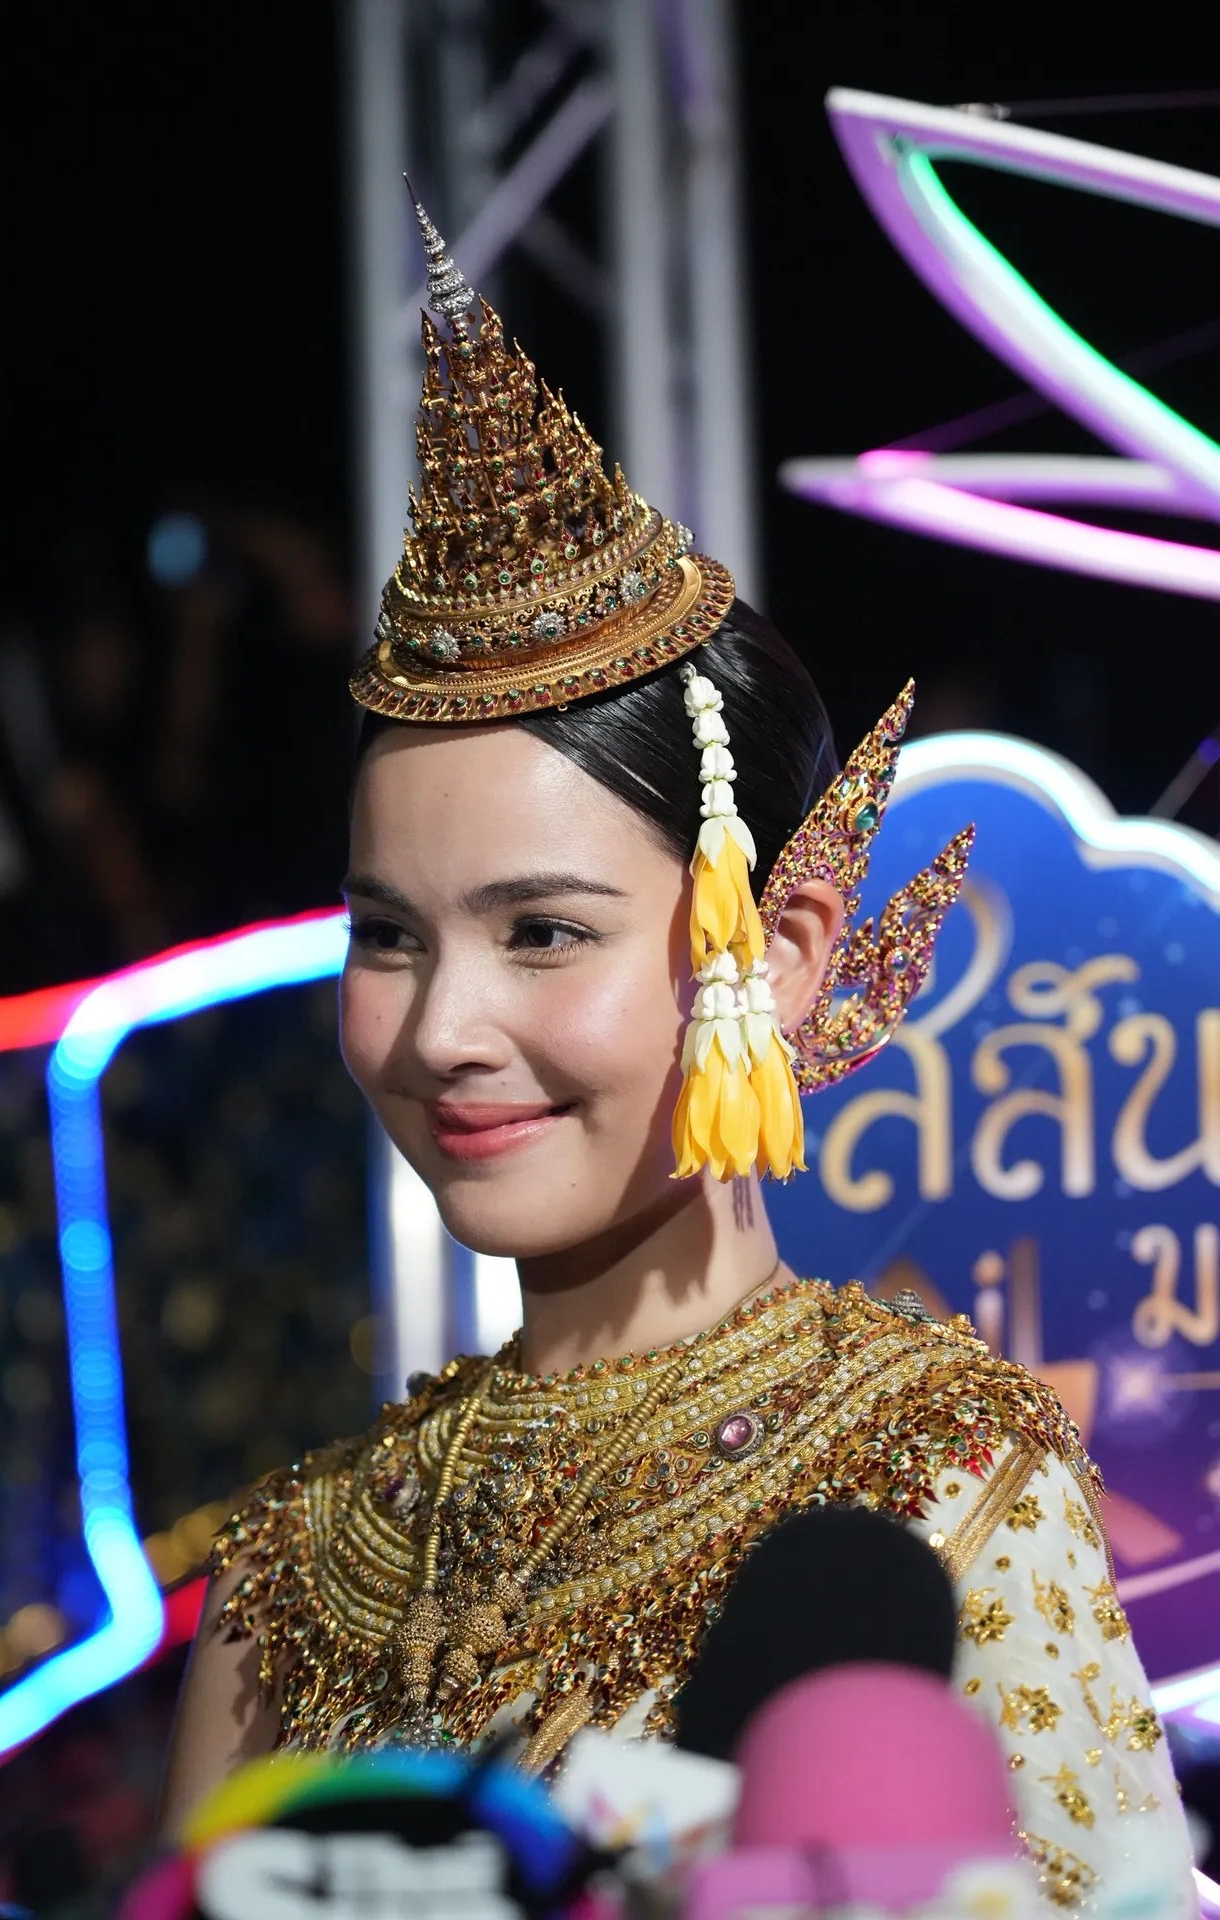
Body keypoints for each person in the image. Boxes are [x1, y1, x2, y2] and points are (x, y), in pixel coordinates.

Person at [161, 200, 1195, 1908]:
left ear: (768, 956)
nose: (440, 1030)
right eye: (390, 936)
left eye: (541, 932)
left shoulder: (938, 1477)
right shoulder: (294, 1565)